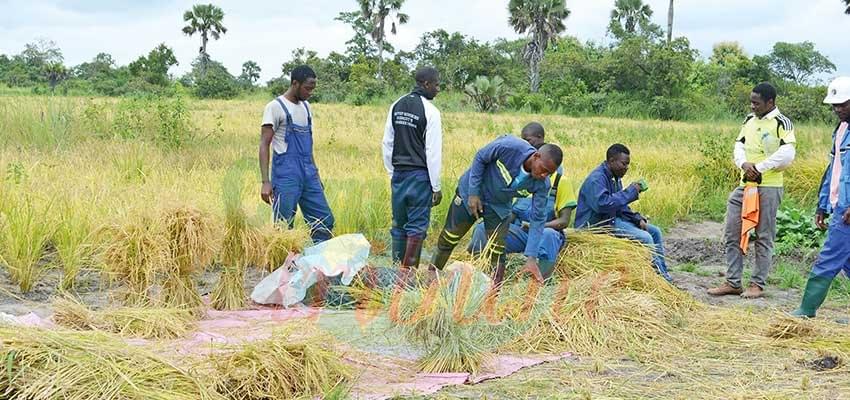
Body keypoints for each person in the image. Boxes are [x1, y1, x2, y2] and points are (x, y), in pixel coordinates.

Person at [431, 136, 563, 284]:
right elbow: (481, 157)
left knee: (498, 250)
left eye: (549, 173)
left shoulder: (542, 184)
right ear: (536, 156)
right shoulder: (510, 147)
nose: (544, 175)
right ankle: (431, 276)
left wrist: (531, 257)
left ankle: (494, 292)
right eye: (544, 169)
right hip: (472, 193)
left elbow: (538, 219)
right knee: (449, 237)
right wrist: (473, 193)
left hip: (498, 207)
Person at [708, 82, 796, 299]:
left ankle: (757, 284)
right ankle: (733, 281)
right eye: (751, 102)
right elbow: (739, 145)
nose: (752, 106)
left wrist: (759, 167)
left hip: (769, 185)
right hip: (745, 185)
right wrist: (744, 164)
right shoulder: (749, 120)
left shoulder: (781, 122)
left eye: (756, 103)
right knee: (732, 231)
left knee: (764, 235)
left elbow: (787, 154)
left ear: (770, 102)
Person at [791, 77, 850, 318]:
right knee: (847, 263)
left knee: (829, 257)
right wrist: (822, 204)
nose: (837, 109)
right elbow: (833, 169)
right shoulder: (841, 130)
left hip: (847, 211)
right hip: (839, 205)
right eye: (834, 105)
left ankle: (806, 310)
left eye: (843, 104)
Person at [574, 144, 672, 282]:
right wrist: (630, 192)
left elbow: (620, 206)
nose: (626, 168)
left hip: (610, 219)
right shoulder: (596, 179)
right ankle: (659, 279)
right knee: (646, 238)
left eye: (628, 164)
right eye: (624, 164)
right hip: (598, 225)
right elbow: (603, 205)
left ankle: (664, 275)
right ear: (612, 160)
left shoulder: (615, 178)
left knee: (655, 232)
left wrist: (636, 218)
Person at [259, 65, 334, 243]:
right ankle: (282, 267)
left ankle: (319, 266)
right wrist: (265, 182)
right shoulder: (275, 107)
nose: (310, 92)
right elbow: (264, 144)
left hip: (309, 173)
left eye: (313, 89)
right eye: (308, 88)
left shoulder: (307, 108)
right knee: (283, 227)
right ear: (295, 83)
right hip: (286, 175)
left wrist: (315, 173)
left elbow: (309, 145)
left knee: (324, 221)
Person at [381, 67, 443, 276]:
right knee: (416, 228)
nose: (438, 89)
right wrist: (436, 186)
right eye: (436, 84)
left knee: (399, 224)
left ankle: (395, 272)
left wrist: (392, 173)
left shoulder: (396, 105)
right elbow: (432, 152)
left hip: (399, 175)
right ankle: (408, 277)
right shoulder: (431, 112)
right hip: (420, 177)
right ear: (425, 84)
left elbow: (387, 142)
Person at [468, 168, 577, 280]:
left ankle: (540, 281)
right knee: (482, 228)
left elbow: (564, 221)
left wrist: (536, 227)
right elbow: (513, 214)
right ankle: (484, 276)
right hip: (522, 234)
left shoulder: (560, 182)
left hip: (544, 235)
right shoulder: (524, 180)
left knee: (549, 235)